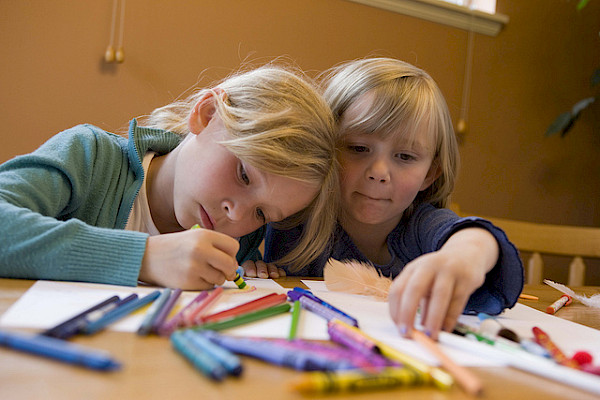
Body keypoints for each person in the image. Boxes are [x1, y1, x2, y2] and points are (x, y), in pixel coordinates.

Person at [0, 63, 339, 291]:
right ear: (207, 114)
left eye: (262, 214)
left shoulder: (239, 242)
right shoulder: (88, 155)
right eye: (244, 176)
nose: (236, 215)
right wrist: (144, 257)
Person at [253, 58, 523, 339]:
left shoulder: (421, 225)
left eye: (405, 156)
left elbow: (476, 239)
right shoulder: (295, 218)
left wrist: (464, 258)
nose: (379, 172)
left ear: (430, 174)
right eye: (358, 148)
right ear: (325, 148)